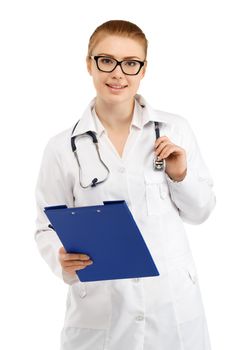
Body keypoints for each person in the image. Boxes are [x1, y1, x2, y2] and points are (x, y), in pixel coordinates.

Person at [35, 19, 215, 350]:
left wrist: (180, 174)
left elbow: (201, 211)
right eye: (106, 60)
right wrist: (58, 257)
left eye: (131, 63)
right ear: (89, 63)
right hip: (101, 313)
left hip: (171, 309)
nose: (118, 74)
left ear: (143, 70)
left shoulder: (175, 130)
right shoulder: (61, 147)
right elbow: (46, 226)